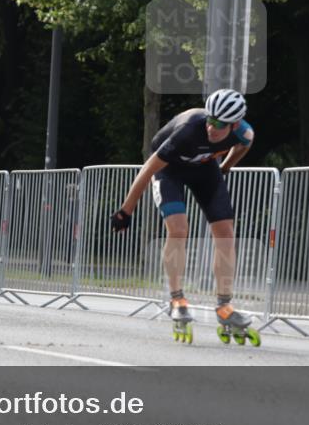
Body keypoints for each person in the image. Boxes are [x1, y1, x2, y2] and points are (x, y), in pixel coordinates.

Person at [110, 88, 260, 346]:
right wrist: (126, 210)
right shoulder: (189, 130)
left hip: (204, 169)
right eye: (211, 120)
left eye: (220, 124)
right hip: (170, 171)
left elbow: (244, 145)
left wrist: (226, 167)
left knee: (225, 233)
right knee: (179, 229)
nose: (212, 128)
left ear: (234, 124)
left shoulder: (243, 132)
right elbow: (148, 170)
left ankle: (225, 306)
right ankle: (177, 298)